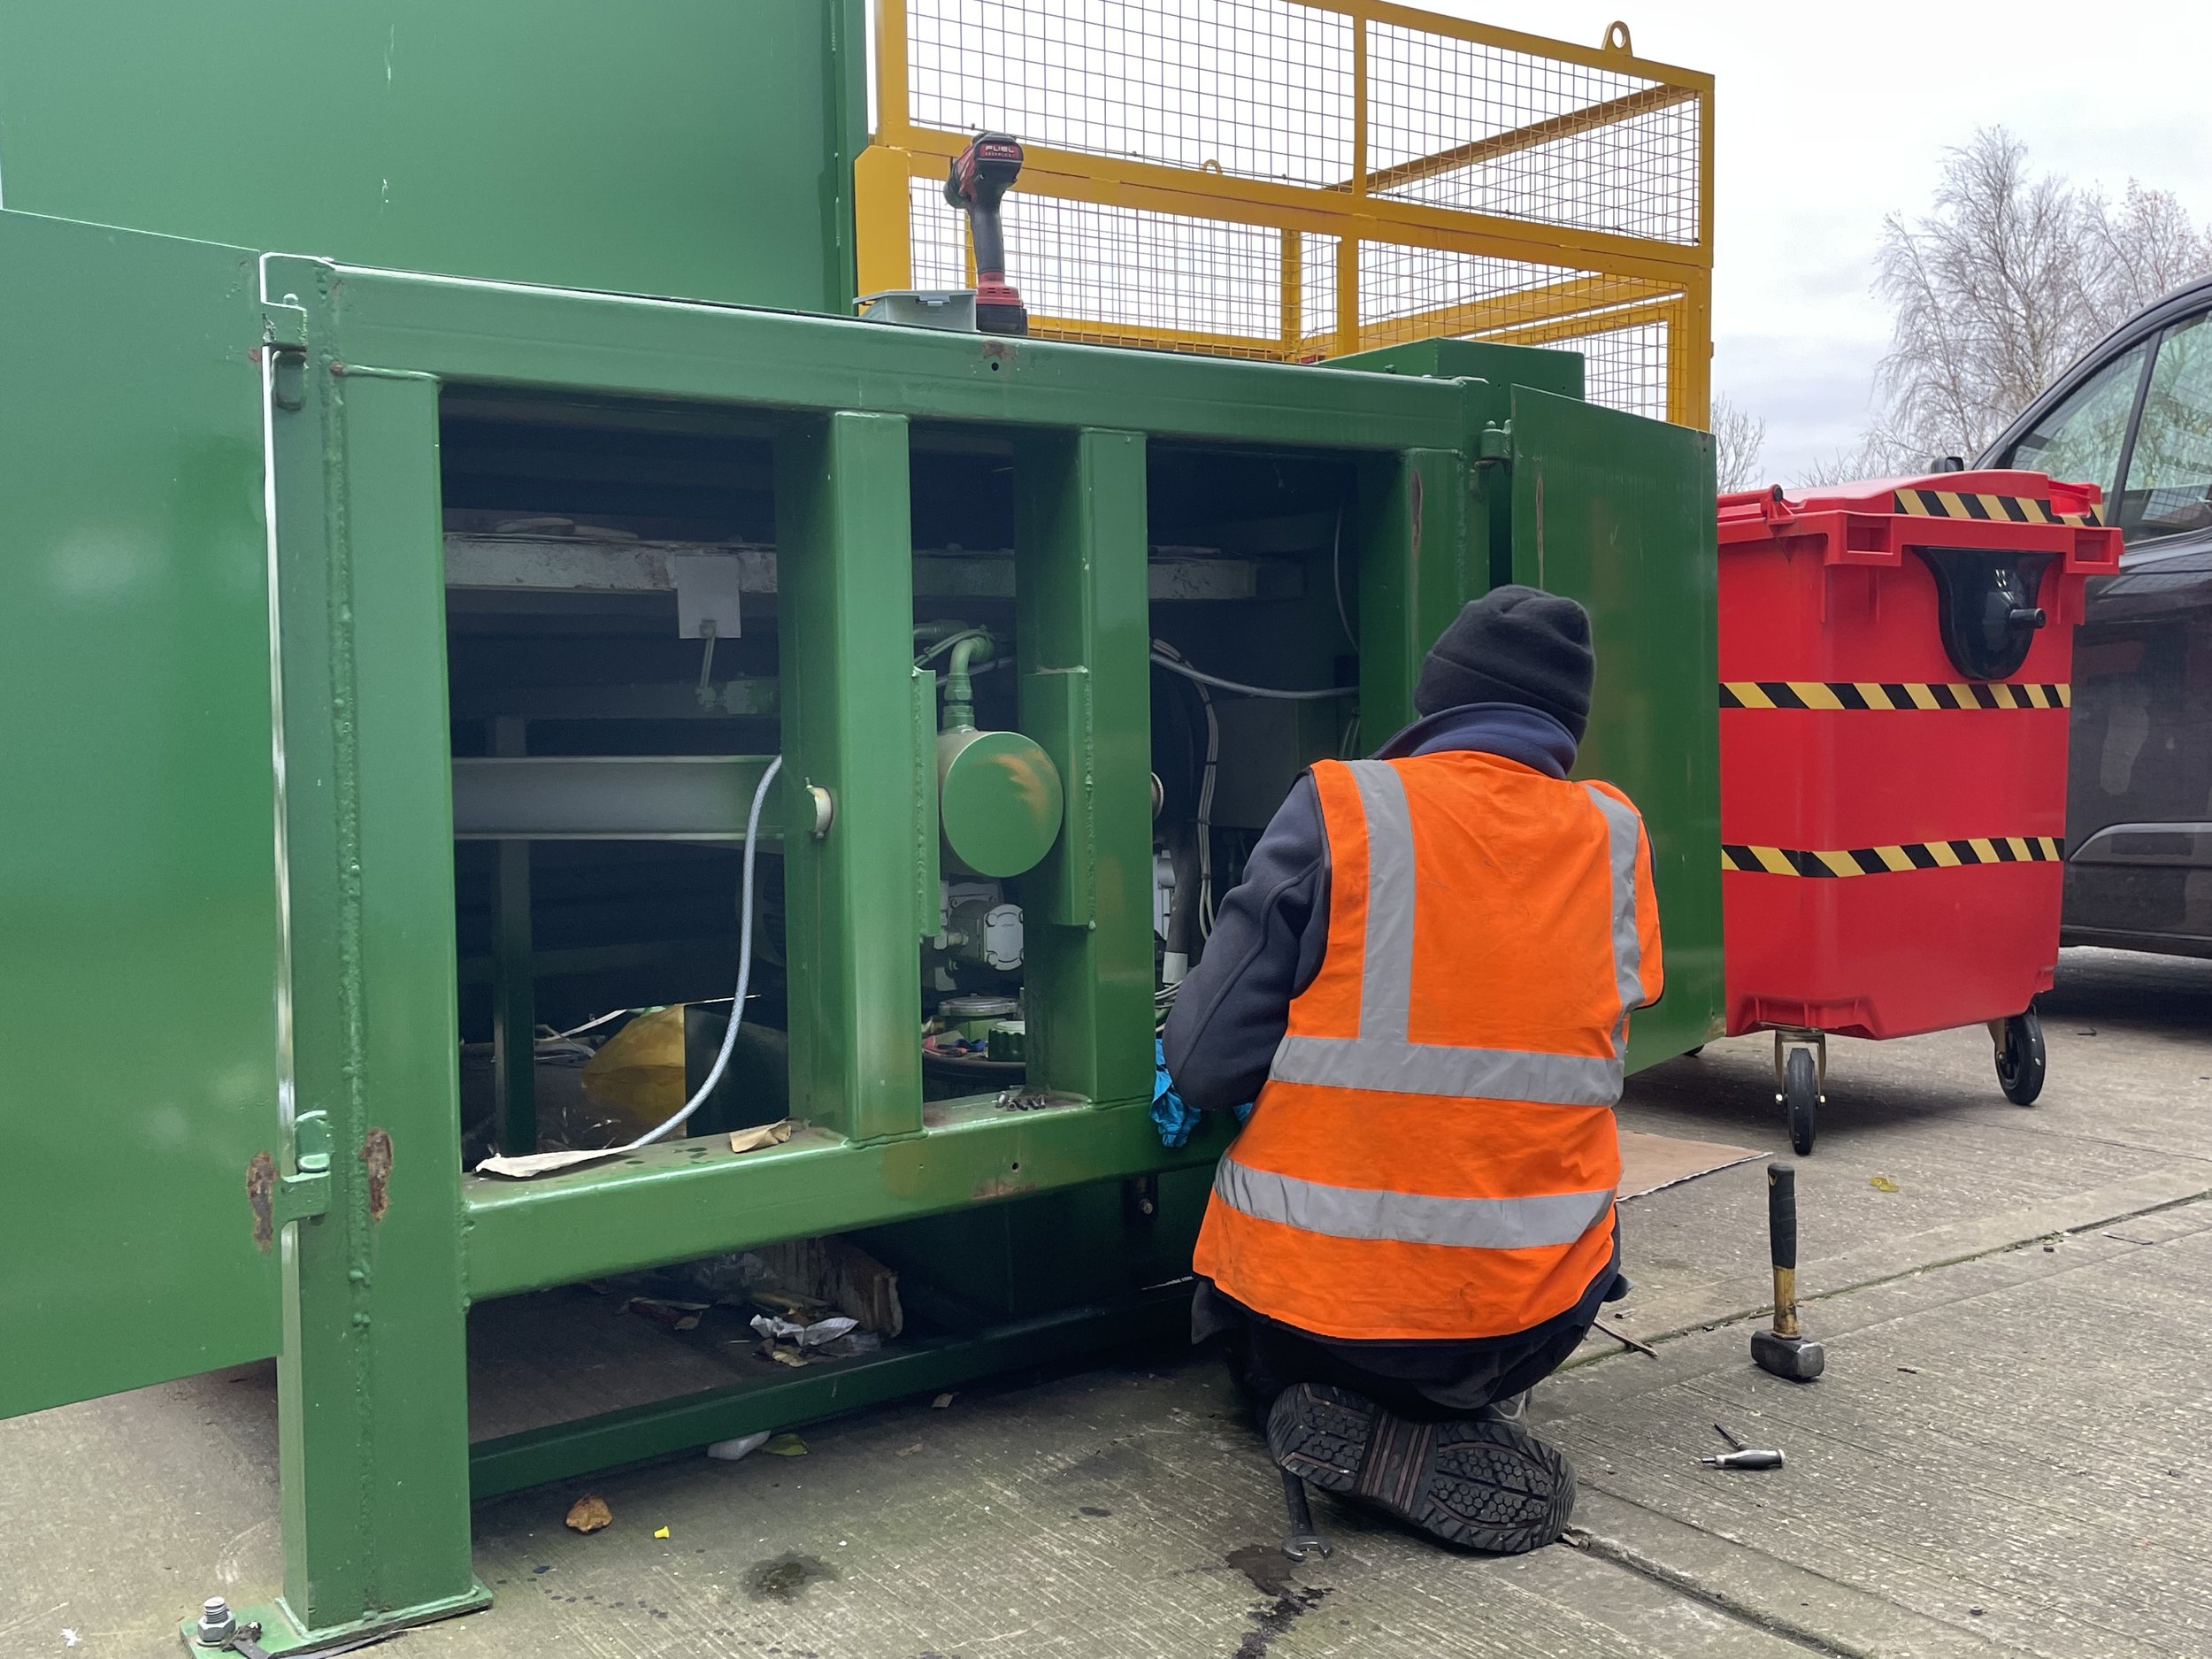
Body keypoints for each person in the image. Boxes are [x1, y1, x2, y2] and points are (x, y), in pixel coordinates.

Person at [1161, 585, 1661, 1554]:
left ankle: (1312, 1409)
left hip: (1313, 1322)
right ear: (1567, 727)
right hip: (1529, 1324)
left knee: (1248, 1324)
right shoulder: (1614, 834)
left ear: (1435, 700)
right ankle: (1450, 1413)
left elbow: (1204, 1063)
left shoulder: (1344, 808)